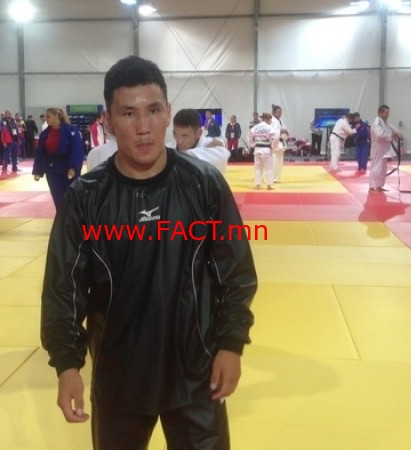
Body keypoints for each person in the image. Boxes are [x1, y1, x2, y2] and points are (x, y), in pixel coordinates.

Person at [40, 55, 257, 450]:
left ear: (168, 113)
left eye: (153, 110)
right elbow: (63, 287)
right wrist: (66, 364)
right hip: (118, 376)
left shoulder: (204, 185)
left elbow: (236, 273)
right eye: (128, 113)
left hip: (197, 372)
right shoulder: (86, 198)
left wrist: (231, 343)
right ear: (108, 120)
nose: (143, 127)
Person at [32, 107, 85, 208]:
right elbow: (40, 153)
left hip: (67, 169)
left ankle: (73, 217)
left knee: (72, 198)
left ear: (57, 116)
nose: (46, 119)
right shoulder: (45, 134)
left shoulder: (71, 131)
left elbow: (77, 150)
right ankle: (61, 217)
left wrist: (73, 167)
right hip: (52, 170)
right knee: (58, 198)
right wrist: (38, 171)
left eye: (48, 116)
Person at [172, 108, 230, 174]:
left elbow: (221, 155)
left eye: (184, 136)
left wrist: (170, 156)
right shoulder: (171, 146)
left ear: (199, 133)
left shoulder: (215, 148)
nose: (179, 141)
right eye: (175, 134)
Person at [369, 105, 403, 192]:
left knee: (383, 169)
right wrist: (392, 136)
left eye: (388, 113)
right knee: (376, 167)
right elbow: (380, 135)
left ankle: (379, 186)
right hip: (378, 149)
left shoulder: (386, 123)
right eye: (386, 113)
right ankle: (373, 186)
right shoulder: (376, 123)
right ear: (380, 113)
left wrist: (398, 134)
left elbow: (394, 130)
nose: (387, 115)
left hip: (385, 149)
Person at [249, 112, 277, 190]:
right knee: (269, 168)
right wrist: (273, 146)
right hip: (266, 150)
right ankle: (269, 185)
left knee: (258, 168)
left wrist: (253, 144)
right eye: (270, 120)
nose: (271, 121)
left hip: (257, 149)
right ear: (266, 119)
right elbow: (275, 138)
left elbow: (249, 136)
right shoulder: (269, 127)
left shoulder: (256, 127)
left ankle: (258, 185)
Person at [270, 105, 288, 183]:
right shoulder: (271, 120)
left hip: (280, 143)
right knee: (274, 161)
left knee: (279, 162)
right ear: (273, 112)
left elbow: (284, 129)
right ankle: (271, 178)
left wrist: (286, 132)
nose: (280, 114)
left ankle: (277, 178)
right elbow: (272, 132)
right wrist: (281, 131)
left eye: (281, 112)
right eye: (278, 112)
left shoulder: (280, 120)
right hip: (274, 143)